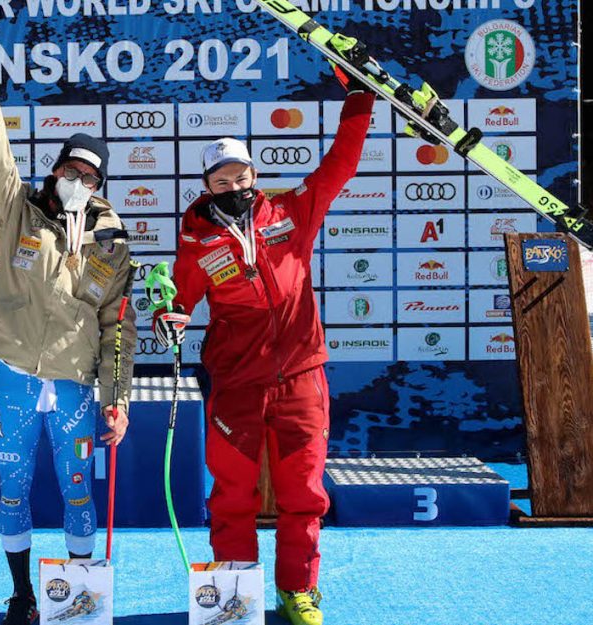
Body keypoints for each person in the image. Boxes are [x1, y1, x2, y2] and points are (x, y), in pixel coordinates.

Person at [153, 69, 375, 625]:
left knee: (304, 492)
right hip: (236, 383)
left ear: (255, 173)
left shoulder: (293, 213)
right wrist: (168, 315)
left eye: (241, 175)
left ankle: (297, 591)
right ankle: (235, 594)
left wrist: (358, 102)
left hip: (301, 375)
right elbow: (180, 295)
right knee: (232, 495)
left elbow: (340, 164)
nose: (234, 187)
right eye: (221, 182)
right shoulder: (196, 238)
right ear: (207, 186)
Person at [0, 14, 136, 625]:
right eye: (69, 170)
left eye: (88, 176)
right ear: (55, 169)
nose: (76, 181)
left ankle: (79, 599)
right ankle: (22, 596)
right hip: (14, 378)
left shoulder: (110, 241)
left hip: (77, 386)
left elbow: (116, 327)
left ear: (99, 183)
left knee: (78, 488)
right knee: (10, 489)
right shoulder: (18, 209)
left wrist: (118, 397)